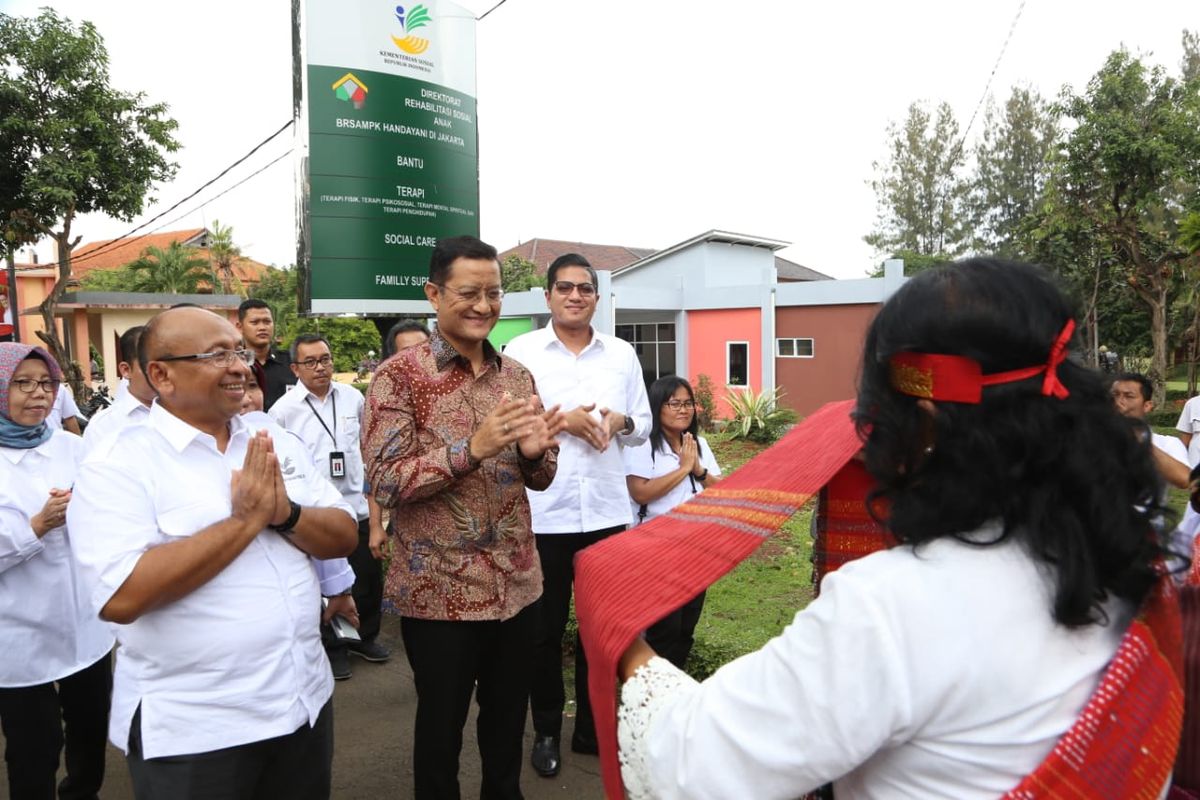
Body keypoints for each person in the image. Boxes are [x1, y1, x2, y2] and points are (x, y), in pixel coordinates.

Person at [615, 259, 1178, 798]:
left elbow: (691, 763)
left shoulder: (895, 608)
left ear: (924, 422)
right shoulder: (1131, 556)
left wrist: (622, 641)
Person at [66, 306, 358, 800]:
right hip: (198, 732)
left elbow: (343, 532)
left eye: (239, 352)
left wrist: (285, 514)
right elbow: (120, 596)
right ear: (161, 374)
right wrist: (243, 522)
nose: (240, 366)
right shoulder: (116, 463)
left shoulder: (271, 440)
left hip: (302, 704)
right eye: (217, 355)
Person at [363, 235, 566, 800]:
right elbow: (384, 481)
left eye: (494, 293)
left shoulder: (517, 376)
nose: (484, 306)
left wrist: (534, 453)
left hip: (517, 584)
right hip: (439, 595)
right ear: (434, 294)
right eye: (469, 293)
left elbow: (543, 475)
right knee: (440, 732)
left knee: (506, 726)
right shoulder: (399, 377)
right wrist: (468, 449)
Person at [502, 253, 650, 775]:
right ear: (547, 297)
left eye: (585, 288)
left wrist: (620, 419)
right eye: (564, 287)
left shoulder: (622, 354)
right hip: (545, 513)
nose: (574, 296)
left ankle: (592, 727)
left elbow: (645, 425)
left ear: (596, 297)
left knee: (601, 628)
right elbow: (508, 423)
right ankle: (546, 729)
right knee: (542, 633)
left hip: (608, 511)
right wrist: (560, 421)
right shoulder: (520, 353)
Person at [0, 343, 114, 800]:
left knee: (90, 733)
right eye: (22, 383)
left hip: (83, 623)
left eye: (46, 383)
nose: (38, 394)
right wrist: (38, 526)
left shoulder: (72, 447)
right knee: (35, 746)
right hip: (19, 631)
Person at [270, 333, 389, 680]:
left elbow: (368, 449)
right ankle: (335, 648)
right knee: (327, 581)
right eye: (310, 362)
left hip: (356, 505)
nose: (320, 367)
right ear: (295, 368)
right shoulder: (282, 412)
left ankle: (363, 638)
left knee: (366, 578)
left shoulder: (353, 398)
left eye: (325, 359)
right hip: (315, 515)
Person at [623, 377, 721, 670]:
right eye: (674, 403)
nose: (683, 410)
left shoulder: (698, 444)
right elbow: (640, 491)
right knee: (662, 628)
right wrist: (683, 470)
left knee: (685, 628)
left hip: (694, 549)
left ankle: (674, 694)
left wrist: (699, 470)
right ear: (657, 407)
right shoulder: (642, 445)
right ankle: (649, 696)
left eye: (688, 403)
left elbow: (722, 492)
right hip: (653, 549)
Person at [1111, 372, 1190, 490]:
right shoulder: (1092, 439)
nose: (1119, 402)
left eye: (1129, 396)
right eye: (1115, 395)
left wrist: (1138, 438)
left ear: (1147, 406)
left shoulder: (1167, 444)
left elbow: (1185, 480)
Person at [82, 326, 154, 449]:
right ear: (126, 370)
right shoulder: (103, 426)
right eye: (149, 365)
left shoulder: (187, 415)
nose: (160, 371)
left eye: (167, 362)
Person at [236, 298, 296, 410]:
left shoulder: (292, 362)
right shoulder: (233, 365)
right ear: (240, 327)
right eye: (255, 322)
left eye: (267, 322)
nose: (262, 328)